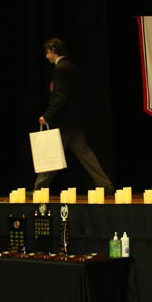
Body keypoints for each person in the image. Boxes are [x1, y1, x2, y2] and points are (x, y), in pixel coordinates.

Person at [34, 37, 115, 193]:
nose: (46, 56)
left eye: (47, 52)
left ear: (53, 51)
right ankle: (105, 185)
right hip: (76, 121)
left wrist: (47, 116)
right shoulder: (72, 67)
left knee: (52, 154)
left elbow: (61, 97)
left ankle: (39, 188)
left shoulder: (59, 69)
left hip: (64, 122)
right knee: (85, 154)